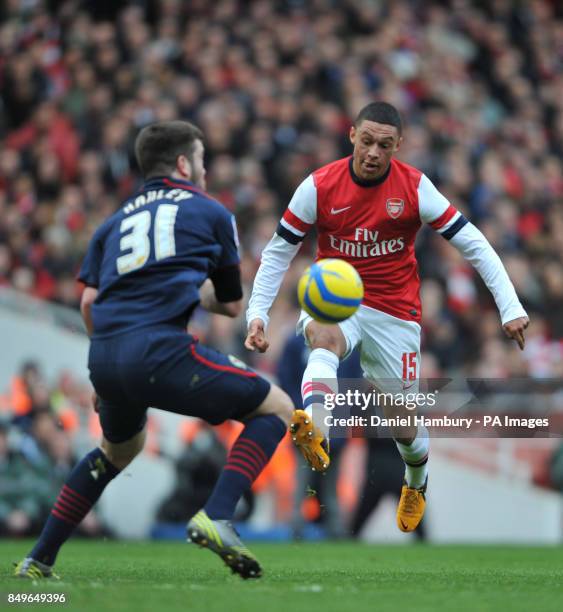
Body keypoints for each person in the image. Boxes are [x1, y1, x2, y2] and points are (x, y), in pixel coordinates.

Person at [15, 120, 293, 580]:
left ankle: (38, 560)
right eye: (201, 161)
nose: (204, 172)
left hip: (104, 356)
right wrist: (194, 291)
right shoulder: (211, 211)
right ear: (185, 163)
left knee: (118, 450)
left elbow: (89, 302)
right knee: (277, 408)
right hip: (160, 350)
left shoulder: (112, 223)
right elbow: (229, 303)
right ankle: (218, 515)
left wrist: (104, 370)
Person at [245, 101, 529, 534]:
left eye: (384, 144)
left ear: (399, 145)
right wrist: (257, 314)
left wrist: (510, 307)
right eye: (366, 141)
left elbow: (472, 242)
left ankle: (416, 481)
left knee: (402, 424)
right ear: (352, 135)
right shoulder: (318, 186)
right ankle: (316, 426)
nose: (373, 152)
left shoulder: (415, 188)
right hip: (338, 297)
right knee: (324, 336)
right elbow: (278, 250)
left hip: (396, 313)